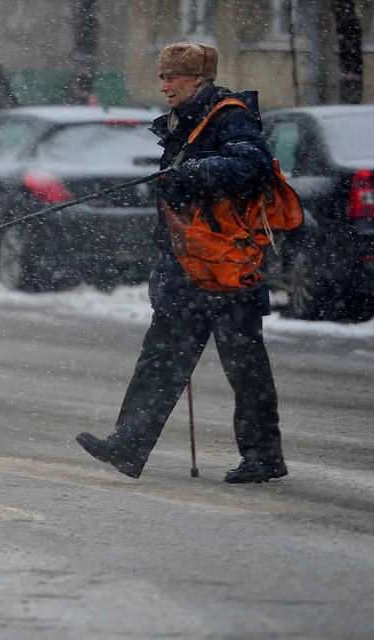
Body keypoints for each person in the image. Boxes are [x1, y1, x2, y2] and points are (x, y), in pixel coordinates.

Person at [75, 42, 287, 484]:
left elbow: (254, 166)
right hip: (190, 263)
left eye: (172, 77)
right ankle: (128, 445)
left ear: (198, 80)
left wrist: (190, 173)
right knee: (162, 356)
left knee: (244, 366)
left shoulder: (229, 116)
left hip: (228, 264)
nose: (164, 85)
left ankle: (263, 456)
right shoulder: (184, 122)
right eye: (163, 77)